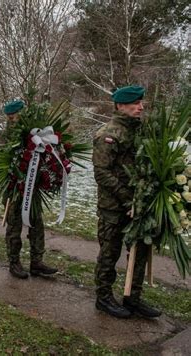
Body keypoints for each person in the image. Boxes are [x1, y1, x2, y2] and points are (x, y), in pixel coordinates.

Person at [93, 85, 161, 319]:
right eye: (136, 103)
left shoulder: (142, 132)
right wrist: (127, 198)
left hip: (139, 205)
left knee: (140, 251)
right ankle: (103, 298)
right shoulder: (109, 134)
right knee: (109, 252)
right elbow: (102, 173)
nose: (141, 107)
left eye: (141, 103)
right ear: (121, 105)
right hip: (113, 206)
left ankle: (133, 297)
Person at [0, 100, 58, 279]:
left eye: (19, 115)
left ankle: (37, 261)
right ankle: (14, 262)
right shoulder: (3, 137)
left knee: (37, 224)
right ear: (9, 117)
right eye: (13, 116)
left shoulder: (34, 133)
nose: (16, 119)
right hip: (14, 190)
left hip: (33, 188)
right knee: (14, 227)